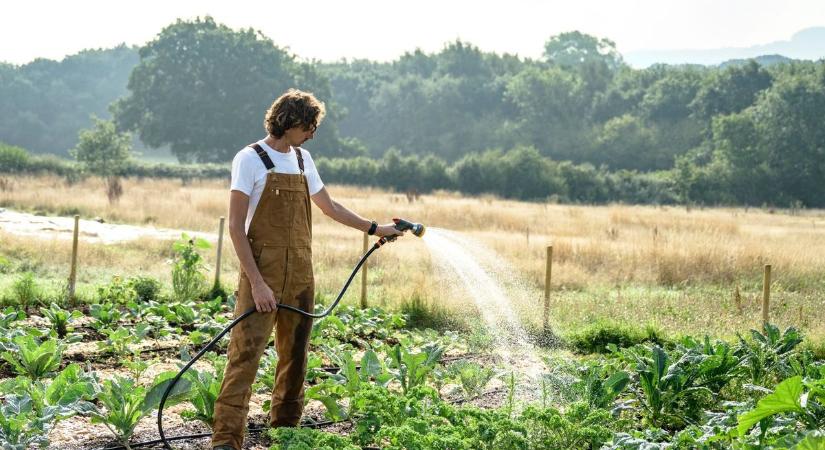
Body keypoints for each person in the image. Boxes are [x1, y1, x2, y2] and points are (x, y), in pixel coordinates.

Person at [211, 89, 402, 450]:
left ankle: (285, 435)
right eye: (309, 126)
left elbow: (330, 207)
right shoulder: (250, 159)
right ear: (291, 122)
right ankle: (225, 441)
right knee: (244, 358)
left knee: (295, 358)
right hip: (261, 276)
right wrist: (257, 283)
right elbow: (236, 227)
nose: (313, 134)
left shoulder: (302, 159)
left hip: (301, 273)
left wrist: (376, 229)